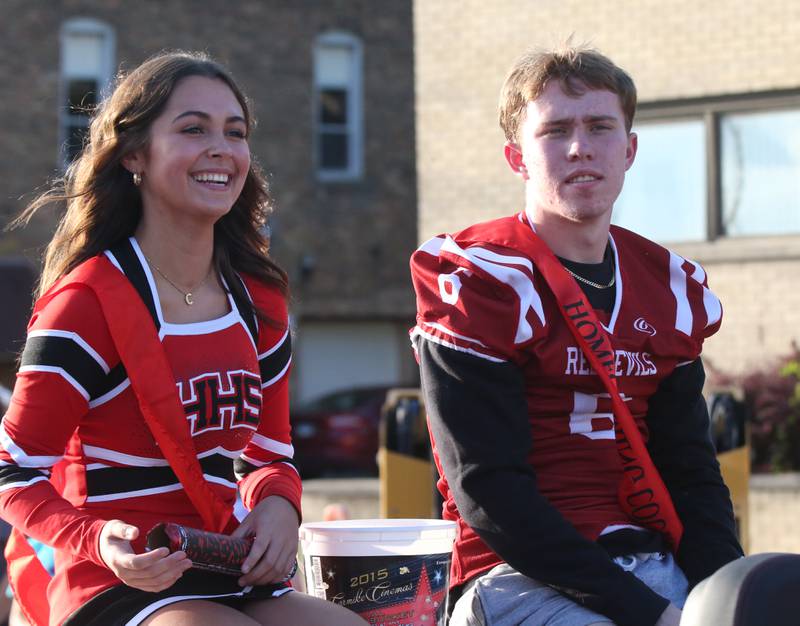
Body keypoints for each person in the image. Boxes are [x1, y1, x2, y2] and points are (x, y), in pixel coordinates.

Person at [1, 51, 366, 626]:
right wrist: (100, 543)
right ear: (135, 156)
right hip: (117, 581)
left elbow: (269, 456)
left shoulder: (259, 298)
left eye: (235, 131)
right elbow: (12, 472)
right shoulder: (86, 303)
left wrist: (278, 506)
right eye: (193, 129)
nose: (221, 147)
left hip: (225, 565)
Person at [409, 45, 743, 626]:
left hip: (658, 564)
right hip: (518, 575)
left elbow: (692, 474)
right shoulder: (479, 275)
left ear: (629, 148)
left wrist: (728, 593)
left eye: (599, 126)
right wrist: (649, 614)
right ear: (517, 157)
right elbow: (488, 491)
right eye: (555, 130)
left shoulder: (668, 286)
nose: (580, 146)